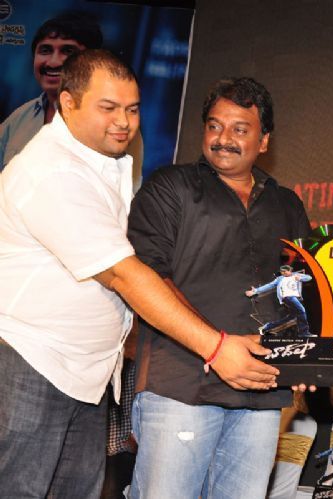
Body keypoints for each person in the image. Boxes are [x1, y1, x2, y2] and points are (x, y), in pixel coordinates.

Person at [0, 49, 278, 499]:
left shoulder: (106, 165)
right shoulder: (51, 171)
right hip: (33, 362)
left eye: (132, 109)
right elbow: (125, 276)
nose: (124, 122)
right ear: (68, 102)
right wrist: (217, 347)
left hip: (85, 375)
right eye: (108, 108)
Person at [126, 77, 310, 498]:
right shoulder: (170, 187)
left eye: (240, 129)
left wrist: (306, 360)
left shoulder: (287, 204)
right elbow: (147, 277)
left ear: (264, 141)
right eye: (214, 126)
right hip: (182, 386)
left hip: (262, 390)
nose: (223, 138)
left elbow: (300, 289)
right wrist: (216, 345)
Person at [0, 11, 102, 169]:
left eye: (68, 51)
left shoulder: (110, 122)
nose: (53, 63)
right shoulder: (19, 118)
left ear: (94, 62)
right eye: (45, 50)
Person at [247, 265, 315, 337]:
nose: (283, 273)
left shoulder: (296, 275)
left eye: (285, 271)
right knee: (302, 310)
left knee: (292, 316)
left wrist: (300, 278)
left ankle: (267, 327)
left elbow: (309, 277)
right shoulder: (280, 279)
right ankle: (304, 333)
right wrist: (256, 290)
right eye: (282, 272)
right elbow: (269, 286)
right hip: (287, 297)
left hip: (295, 298)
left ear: (290, 270)